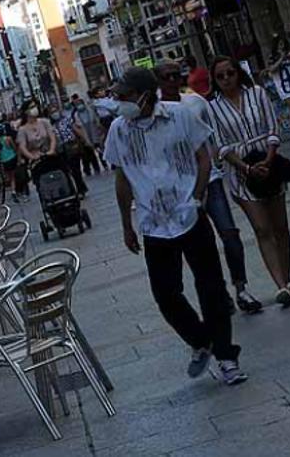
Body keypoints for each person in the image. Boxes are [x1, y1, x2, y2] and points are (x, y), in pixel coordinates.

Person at [105, 67, 247, 386]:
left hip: (188, 214)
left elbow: (203, 157)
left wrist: (197, 195)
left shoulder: (180, 115)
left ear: (144, 95)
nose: (120, 102)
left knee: (210, 286)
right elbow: (121, 176)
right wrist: (126, 224)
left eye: (125, 96)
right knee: (166, 294)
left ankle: (226, 355)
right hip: (154, 223)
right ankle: (201, 340)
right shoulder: (119, 129)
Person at [154, 62, 262, 314]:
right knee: (201, 246)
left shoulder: (195, 103)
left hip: (210, 179)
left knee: (229, 233)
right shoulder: (154, 112)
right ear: (157, 82)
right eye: (166, 76)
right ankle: (220, 292)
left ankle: (241, 288)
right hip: (180, 188)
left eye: (176, 74)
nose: (172, 80)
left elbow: (213, 138)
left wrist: (225, 162)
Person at [207, 56, 290, 307]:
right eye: (221, 76)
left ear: (238, 73)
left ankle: (288, 277)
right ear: (215, 80)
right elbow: (220, 145)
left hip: (268, 161)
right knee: (262, 228)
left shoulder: (257, 93)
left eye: (230, 73)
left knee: (280, 225)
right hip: (240, 171)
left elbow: (273, 128)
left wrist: (268, 161)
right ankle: (280, 285)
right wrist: (246, 167)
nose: (227, 79)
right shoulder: (212, 107)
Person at [16, 99, 62, 193]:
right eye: (32, 107)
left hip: (50, 155)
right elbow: (22, 147)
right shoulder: (22, 129)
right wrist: (31, 157)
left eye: (35, 106)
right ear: (26, 112)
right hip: (36, 159)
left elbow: (52, 137)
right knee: (41, 180)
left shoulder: (44, 122)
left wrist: (52, 149)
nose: (35, 109)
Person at [50, 104, 88, 197]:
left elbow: (75, 129)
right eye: (52, 112)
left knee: (76, 170)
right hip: (60, 150)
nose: (55, 113)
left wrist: (85, 139)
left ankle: (81, 189)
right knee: (66, 171)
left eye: (55, 110)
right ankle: (72, 190)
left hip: (71, 145)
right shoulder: (51, 126)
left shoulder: (66, 120)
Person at [69, 94, 104, 175]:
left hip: (94, 132)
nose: (79, 105)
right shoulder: (75, 115)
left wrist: (99, 129)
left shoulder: (90, 111)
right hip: (85, 135)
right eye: (77, 104)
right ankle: (90, 169)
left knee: (100, 149)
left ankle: (103, 164)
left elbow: (97, 121)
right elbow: (76, 126)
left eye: (80, 103)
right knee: (88, 153)